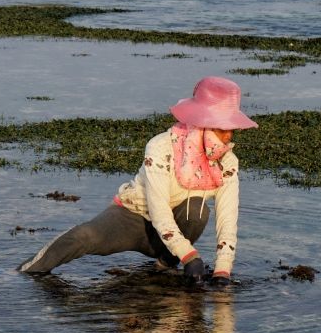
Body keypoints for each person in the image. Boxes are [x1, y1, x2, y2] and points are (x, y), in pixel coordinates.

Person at [18, 76, 257, 284]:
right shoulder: (161, 147)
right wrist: (191, 257)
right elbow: (159, 211)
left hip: (173, 234)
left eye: (231, 127)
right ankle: (23, 272)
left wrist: (222, 271)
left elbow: (227, 218)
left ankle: (163, 266)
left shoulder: (227, 162)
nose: (229, 135)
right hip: (133, 218)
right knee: (84, 237)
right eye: (221, 127)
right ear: (202, 123)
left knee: (197, 211)